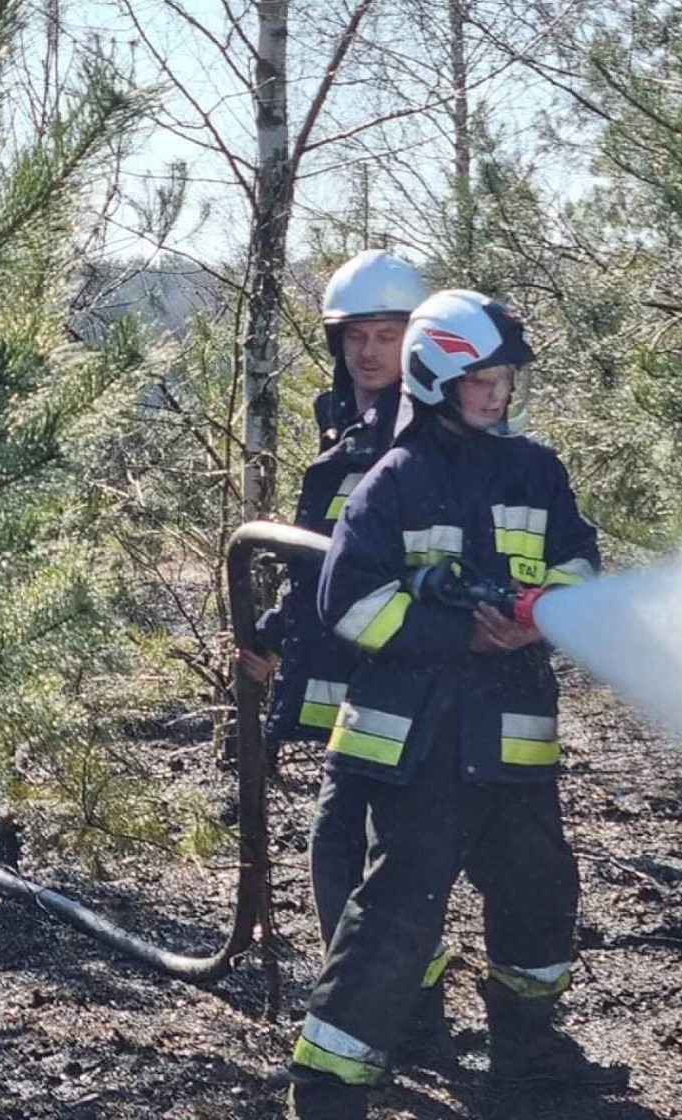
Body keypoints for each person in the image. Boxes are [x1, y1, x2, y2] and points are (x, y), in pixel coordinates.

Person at [285, 289, 629, 1119]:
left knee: (540, 894)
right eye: (481, 378)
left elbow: (580, 558)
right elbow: (350, 601)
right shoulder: (396, 478)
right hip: (421, 741)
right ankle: (331, 1083)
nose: (496, 391)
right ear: (438, 375)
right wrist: (457, 635)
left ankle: (529, 1049)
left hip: (513, 733)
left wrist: (538, 615)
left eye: (505, 377)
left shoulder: (536, 470)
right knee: (398, 913)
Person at [237, 250, 452, 1065]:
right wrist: (277, 633)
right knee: (350, 847)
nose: (368, 352)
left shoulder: (420, 436)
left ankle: (382, 1013)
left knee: (355, 850)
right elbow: (319, 561)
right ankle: (404, 1003)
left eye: (387, 335)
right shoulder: (347, 423)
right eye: (355, 335)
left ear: (417, 342)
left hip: (406, 682)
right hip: (354, 681)